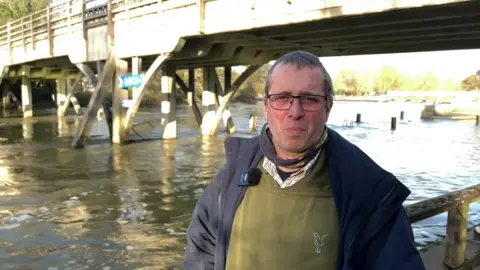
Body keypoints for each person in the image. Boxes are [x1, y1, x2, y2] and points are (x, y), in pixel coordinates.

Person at [183, 51, 425, 270]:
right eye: (282, 97)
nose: (295, 111)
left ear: (328, 106)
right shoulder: (231, 177)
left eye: (309, 99)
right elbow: (201, 253)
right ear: (266, 106)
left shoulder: (368, 194)